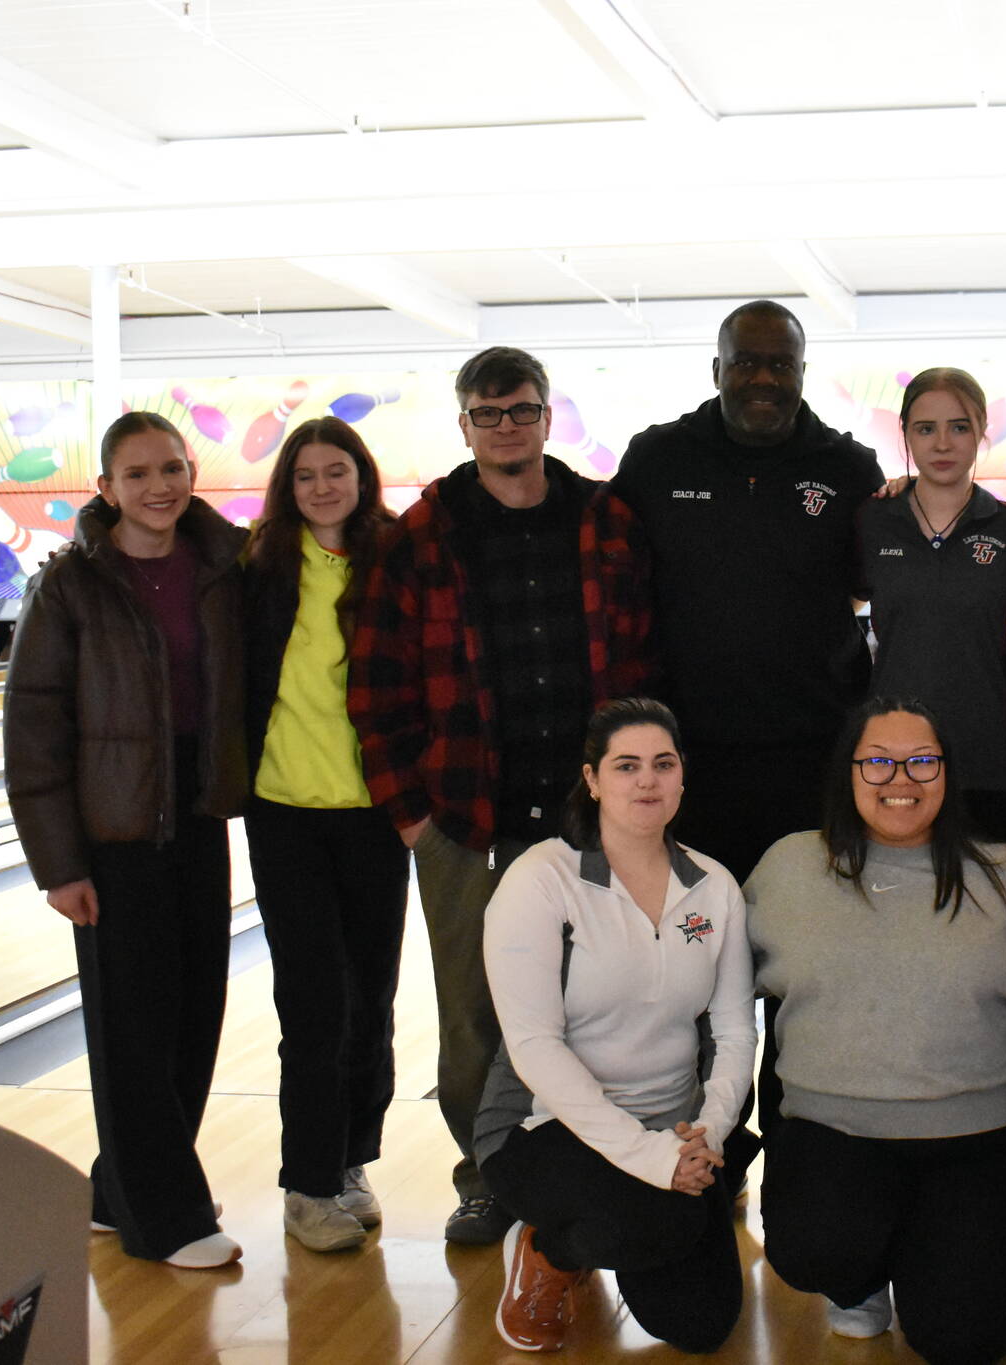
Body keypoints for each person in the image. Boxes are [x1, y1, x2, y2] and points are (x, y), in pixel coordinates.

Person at [348, 346, 654, 1246]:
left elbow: (642, 659)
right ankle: (488, 1175)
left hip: (586, 816)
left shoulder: (607, 521)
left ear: (547, 416)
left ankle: (595, 1164)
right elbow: (377, 683)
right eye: (489, 415)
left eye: (520, 410)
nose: (507, 427)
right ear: (465, 426)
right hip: (466, 819)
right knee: (476, 1016)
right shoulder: (421, 534)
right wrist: (412, 816)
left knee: (601, 1004)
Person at [746, 698, 1006, 1365]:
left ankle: (920, 1252)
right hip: (835, 1132)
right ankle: (862, 1276)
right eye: (877, 760)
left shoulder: (1004, 879)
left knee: (964, 1341)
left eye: (922, 760)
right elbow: (721, 989)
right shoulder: (788, 868)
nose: (899, 777)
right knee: (818, 1247)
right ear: (847, 771)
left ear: (948, 774)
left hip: (978, 1143)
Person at [3, 411, 247, 1268]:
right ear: (106, 489)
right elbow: (33, 729)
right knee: (133, 1025)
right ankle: (165, 1218)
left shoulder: (220, 565)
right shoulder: (70, 585)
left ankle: (123, 1186)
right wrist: (59, 865)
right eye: (138, 473)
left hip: (198, 815)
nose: (160, 486)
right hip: (113, 828)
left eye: (173, 467)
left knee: (194, 1015)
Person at [479, 698, 757, 1353]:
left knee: (702, 1324)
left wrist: (707, 1134)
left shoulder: (712, 889)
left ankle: (651, 1203)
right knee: (654, 1219)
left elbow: (735, 1031)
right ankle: (546, 1251)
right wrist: (654, 1159)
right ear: (594, 779)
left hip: (674, 1129)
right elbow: (533, 1044)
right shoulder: (543, 879)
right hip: (543, 1127)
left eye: (663, 763)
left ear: (683, 775)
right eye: (626, 765)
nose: (647, 780)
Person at [611, 299, 883, 882]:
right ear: (717, 370)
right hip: (687, 754)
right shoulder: (658, 459)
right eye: (746, 363)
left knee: (803, 938)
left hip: (816, 752)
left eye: (782, 365)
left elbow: (877, 584)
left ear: (803, 374)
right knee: (698, 941)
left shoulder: (850, 468)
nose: (764, 379)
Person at [242, 417, 407, 1252]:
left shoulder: (393, 554)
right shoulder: (259, 561)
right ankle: (306, 1183)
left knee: (371, 997)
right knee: (312, 1003)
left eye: (334, 470)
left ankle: (349, 1159)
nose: (320, 487)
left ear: (360, 474)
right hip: (285, 814)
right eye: (304, 475)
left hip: (374, 813)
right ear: (287, 485)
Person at [856, 367, 1006, 850]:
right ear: (906, 435)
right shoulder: (872, 519)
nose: (942, 443)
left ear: (981, 433)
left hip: (987, 755)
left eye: (959, 427)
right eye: (925, 428)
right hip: (892, 763)